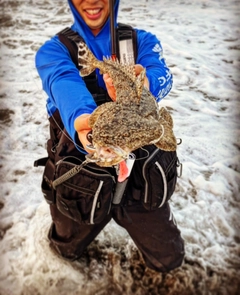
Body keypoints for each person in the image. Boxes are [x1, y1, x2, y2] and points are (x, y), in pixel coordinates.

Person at [35, 0, 185, 273]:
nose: (92, 1)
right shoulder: (53, 52)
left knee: (169, 258)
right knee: (65, 250)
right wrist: (84, 122)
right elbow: (63, 82)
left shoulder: (142, 41)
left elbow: (162, 73)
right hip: (81, 173)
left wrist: (145, 84)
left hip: (142, 176)